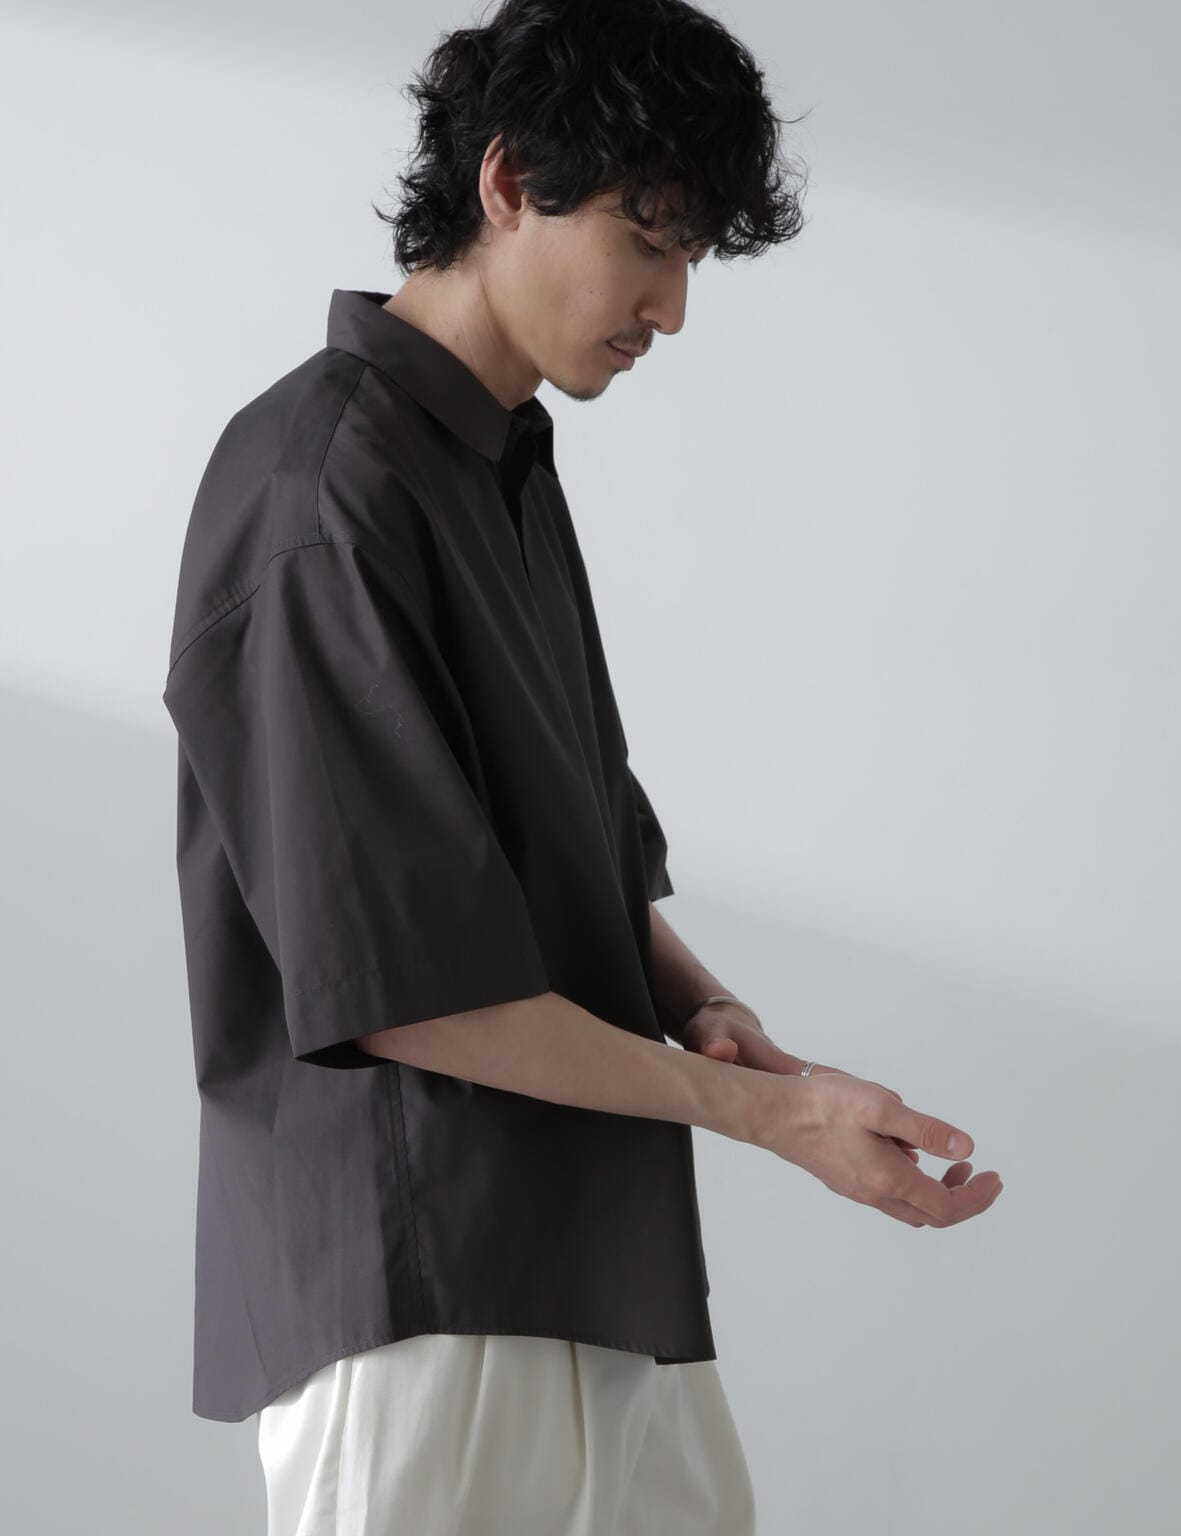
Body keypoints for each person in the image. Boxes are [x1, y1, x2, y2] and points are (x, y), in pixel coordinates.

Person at [160, 1, 1002, 1531]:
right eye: (648, 242)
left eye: (692, 258)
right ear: (506, 183)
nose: (670, 307)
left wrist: (713, 1013)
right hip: (422, 1294)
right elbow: (403, 985)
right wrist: (775, 1119)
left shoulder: (497, 462)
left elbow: (566, 855)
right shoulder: (322, 489)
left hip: (588, 1263)